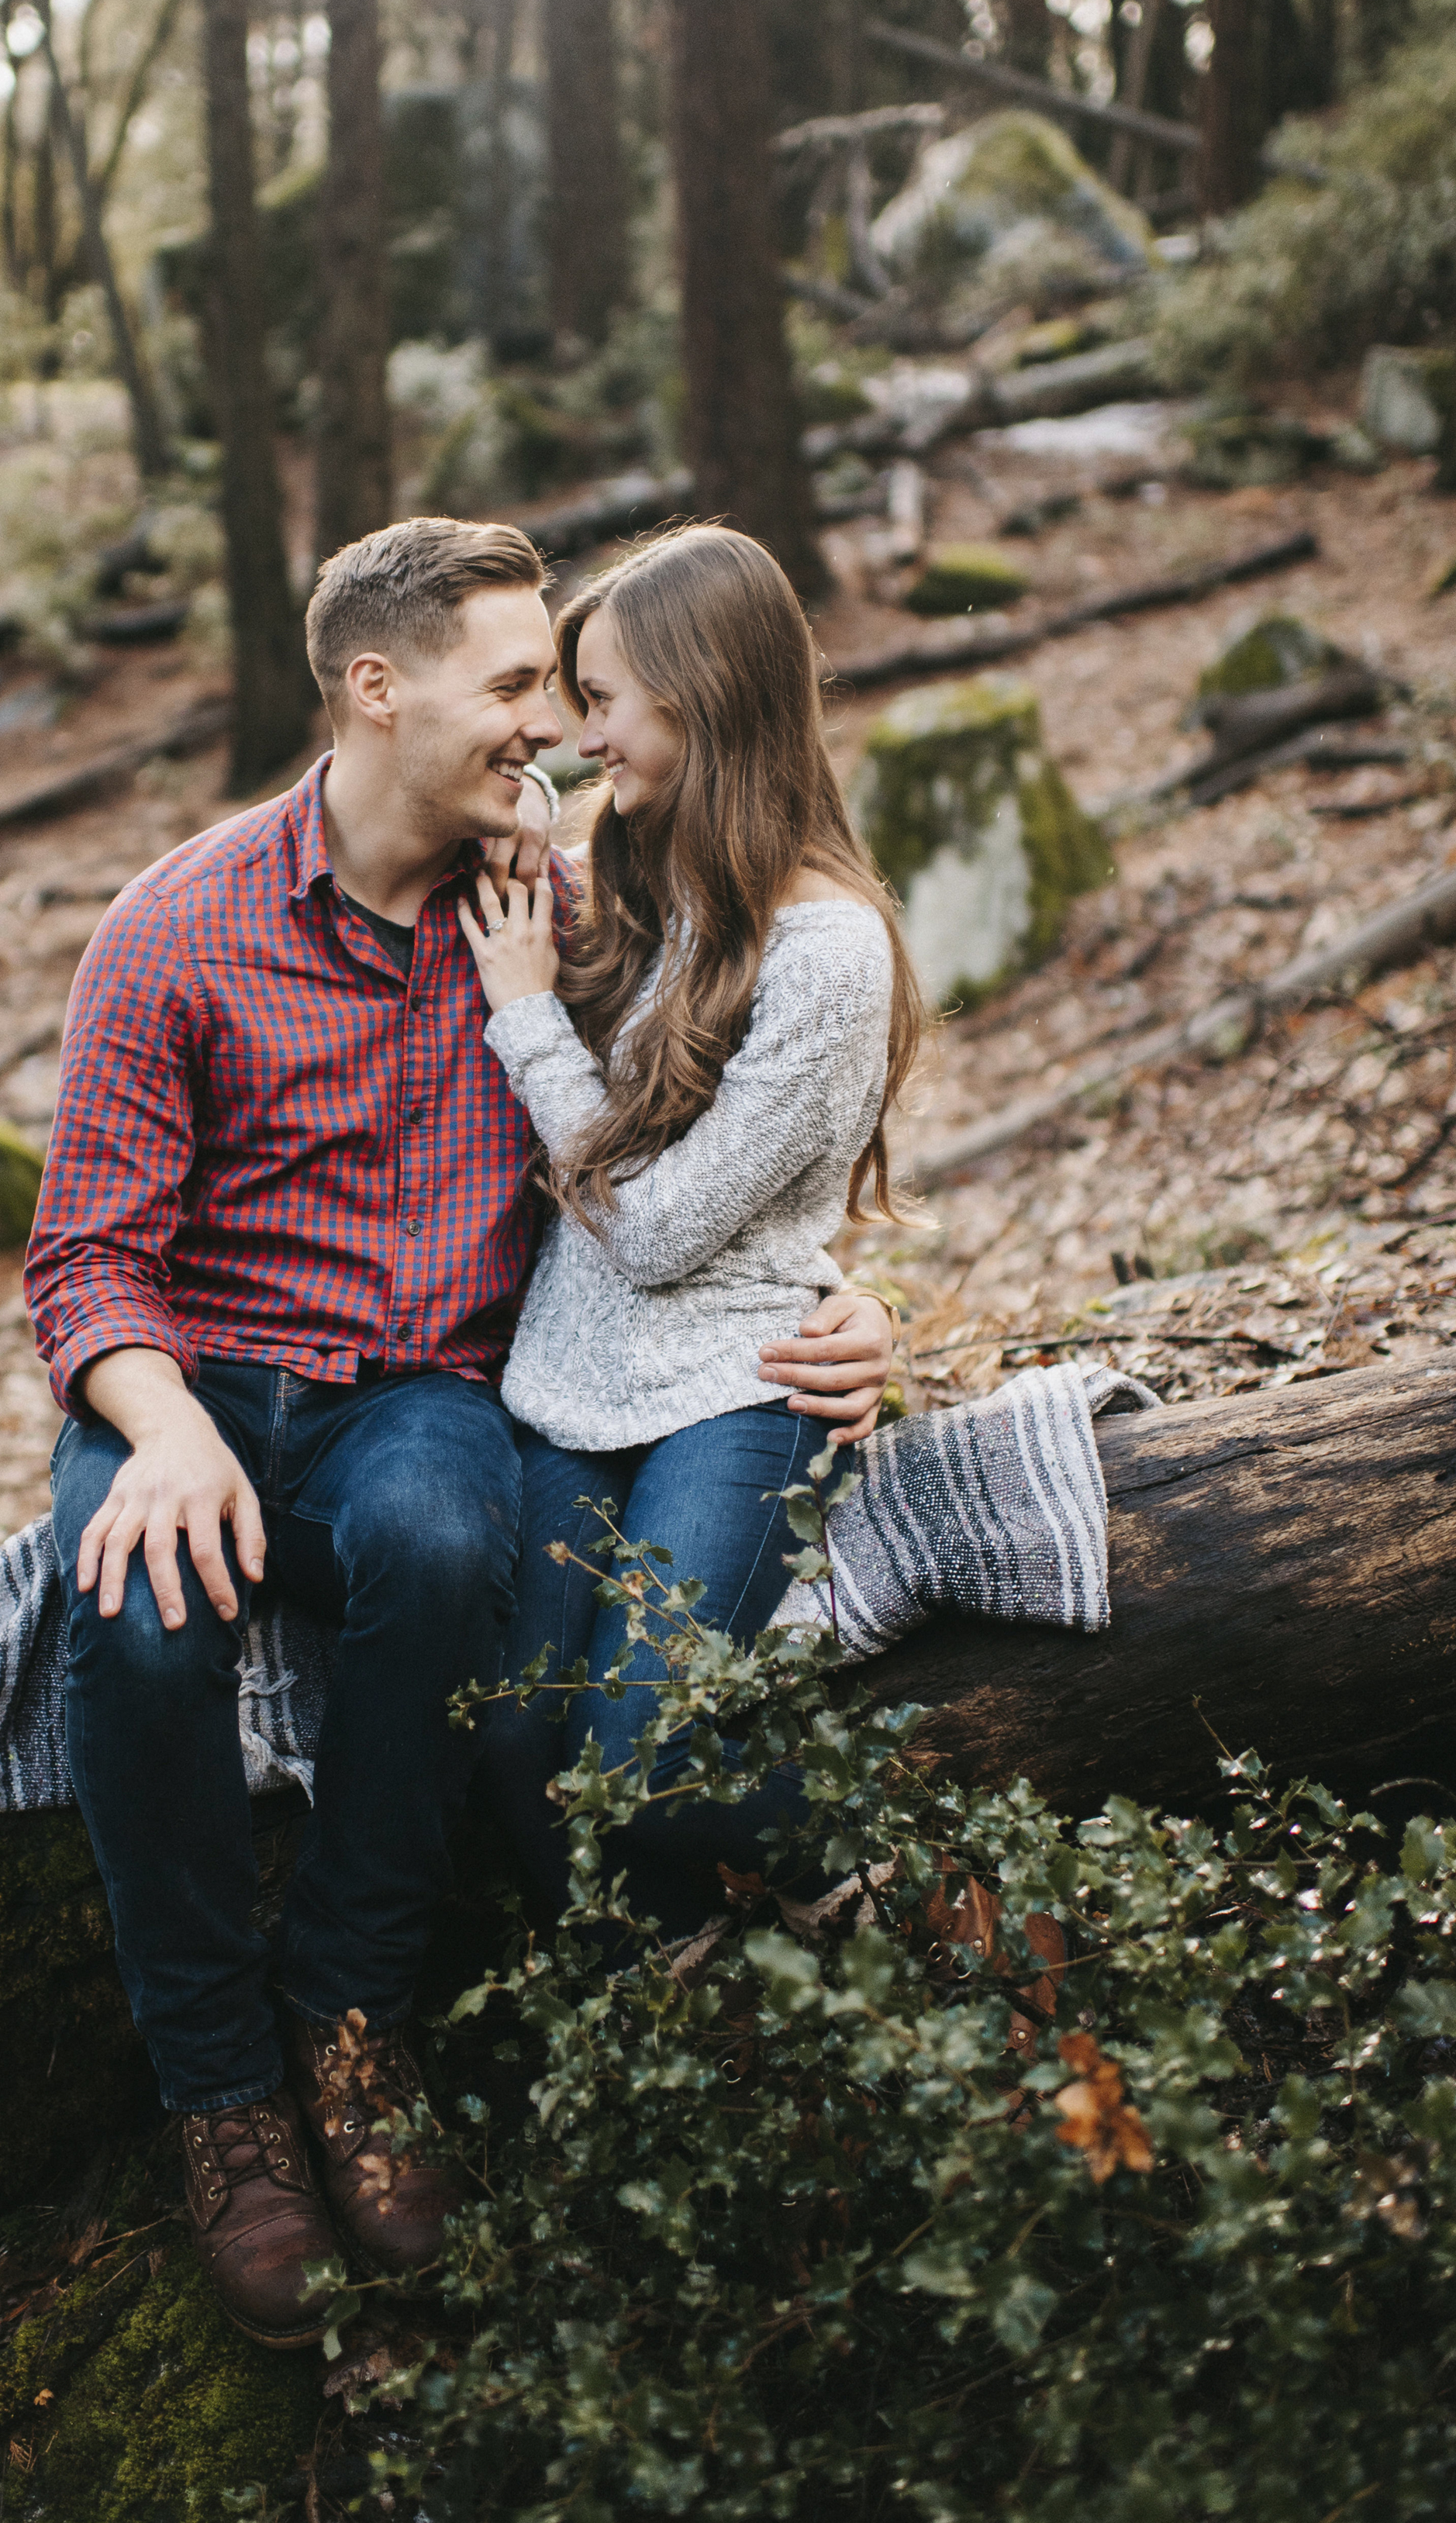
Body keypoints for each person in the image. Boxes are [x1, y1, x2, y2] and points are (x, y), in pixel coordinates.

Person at [23, 516, 894, 2351]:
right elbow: (83, 1253)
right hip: (188, 1378)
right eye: (513, 688)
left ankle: (351, 2016)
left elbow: (732, 1113)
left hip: (414, 1393)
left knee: (438, 1545)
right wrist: (162, 1428)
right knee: (133, 1618)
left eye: (562, 696)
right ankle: (222, 2100)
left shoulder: (562, 912)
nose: (548, 732)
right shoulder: (176, 925)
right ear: (373, 689)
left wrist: (856, 1305)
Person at [459, 525, 923, 1939]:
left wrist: (527, 1013)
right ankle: (654, 1974)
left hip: (738, 1389)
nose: (580, 734)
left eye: (604, 701)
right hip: (565, 1388)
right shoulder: (643, 871)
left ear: (704, 694)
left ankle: (865, 1841)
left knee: (642, 1754)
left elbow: (659, 1234)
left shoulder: (829, 952)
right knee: (504, 1745)